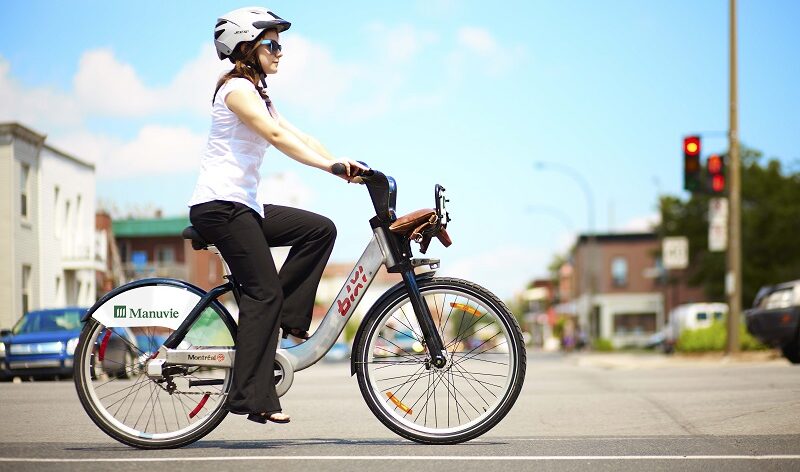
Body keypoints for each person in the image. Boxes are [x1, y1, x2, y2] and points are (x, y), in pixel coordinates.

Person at [188, 7, 366, 425]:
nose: (279, 51)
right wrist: (328, 169)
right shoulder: (236, 90)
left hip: (244, 205)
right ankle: (250, 395)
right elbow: (275, 136)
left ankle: (285, 319)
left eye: (279, 44)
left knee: (319, 230)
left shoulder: (260, 94)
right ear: (244, 47)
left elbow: (297, 133)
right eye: (271, 44)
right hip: (220, 207)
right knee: (263, 292)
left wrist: (340, 162)